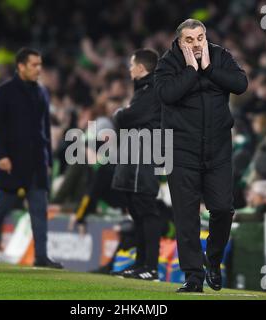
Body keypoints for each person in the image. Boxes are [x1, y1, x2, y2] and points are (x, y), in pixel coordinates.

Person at [154, 19, 248, 292]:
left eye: (199, 38)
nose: (195, 44)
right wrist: (192, 70)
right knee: (186, 216)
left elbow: (240, 84)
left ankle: (214, 260)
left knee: (222, 209)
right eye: (189, 40)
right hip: (181, 150)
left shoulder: (220, 56)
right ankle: (193, 277)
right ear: (179, 42)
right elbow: (167, 95)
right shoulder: (169, 63)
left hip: (218, 149)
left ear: (205, 37)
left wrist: (208, 67)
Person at [0, 47, 62, 269]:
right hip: (11, 161)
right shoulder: (4, 92)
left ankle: (41, 256)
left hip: (37, 162)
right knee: (3, 205)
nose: (39, 69)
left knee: (39, 209)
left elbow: (44, 128)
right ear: (21, 66)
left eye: (40, 65)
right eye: (34, 65)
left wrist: (47, 160)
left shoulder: (41, 92)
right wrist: (1, 155)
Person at [110, 48, 162, 281]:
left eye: (132, 65)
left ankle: (150, 267)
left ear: (141, 68)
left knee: (146, 209)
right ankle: (141, 264)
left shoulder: (151, 90)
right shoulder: (143, 90)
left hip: (145, 156)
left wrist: (120, 114)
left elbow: (127, 117)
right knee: (137, 209)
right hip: (136, 155)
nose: (130, 69)